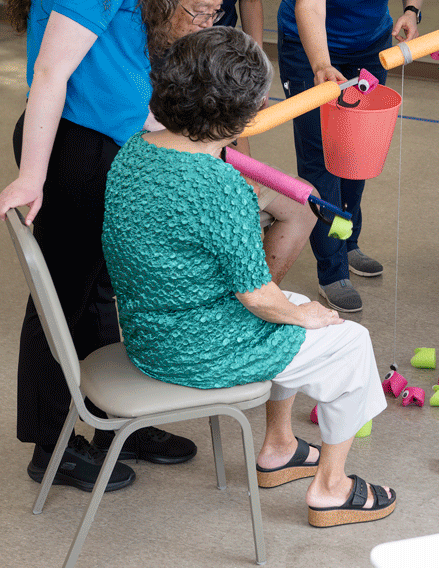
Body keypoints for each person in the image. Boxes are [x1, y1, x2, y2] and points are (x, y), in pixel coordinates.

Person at [102, 26, 394, 527]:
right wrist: (303, 314)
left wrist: (295, 309)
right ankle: (332, 488)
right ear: (240, 115)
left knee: (296, 304)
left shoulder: (134, 149)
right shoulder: (220, 186)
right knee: (350, 342)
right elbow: (258, 297)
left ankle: (279, 448)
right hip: (195, 349)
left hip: (147, 333)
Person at [0, 0, 203, 493]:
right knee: (62, 299)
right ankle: (50, 448)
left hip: (104, 144)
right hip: (74, 151)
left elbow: (110, 63)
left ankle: (120, 420)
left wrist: (157, 120)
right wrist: (33, 174)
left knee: (104, 297)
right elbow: (52, 73)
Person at [276, 0, 428, 313]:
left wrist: (411, 11)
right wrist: (321, 65)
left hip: (370, 45)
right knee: (322, 157)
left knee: (359, 150)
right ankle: (331, 268)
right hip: (312, 48)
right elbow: (309, 5)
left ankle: (348, 237)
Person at [162, 0, 317, 282]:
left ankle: (258, 297)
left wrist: (246, 175)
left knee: (306, 202)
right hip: (183, 179)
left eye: (216, 13)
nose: (208, 24)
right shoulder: (146, 56)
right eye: (199, 13)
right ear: (166, 2)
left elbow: (233, 122)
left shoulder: (206, 45)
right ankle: (252, 300)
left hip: (217, 165)